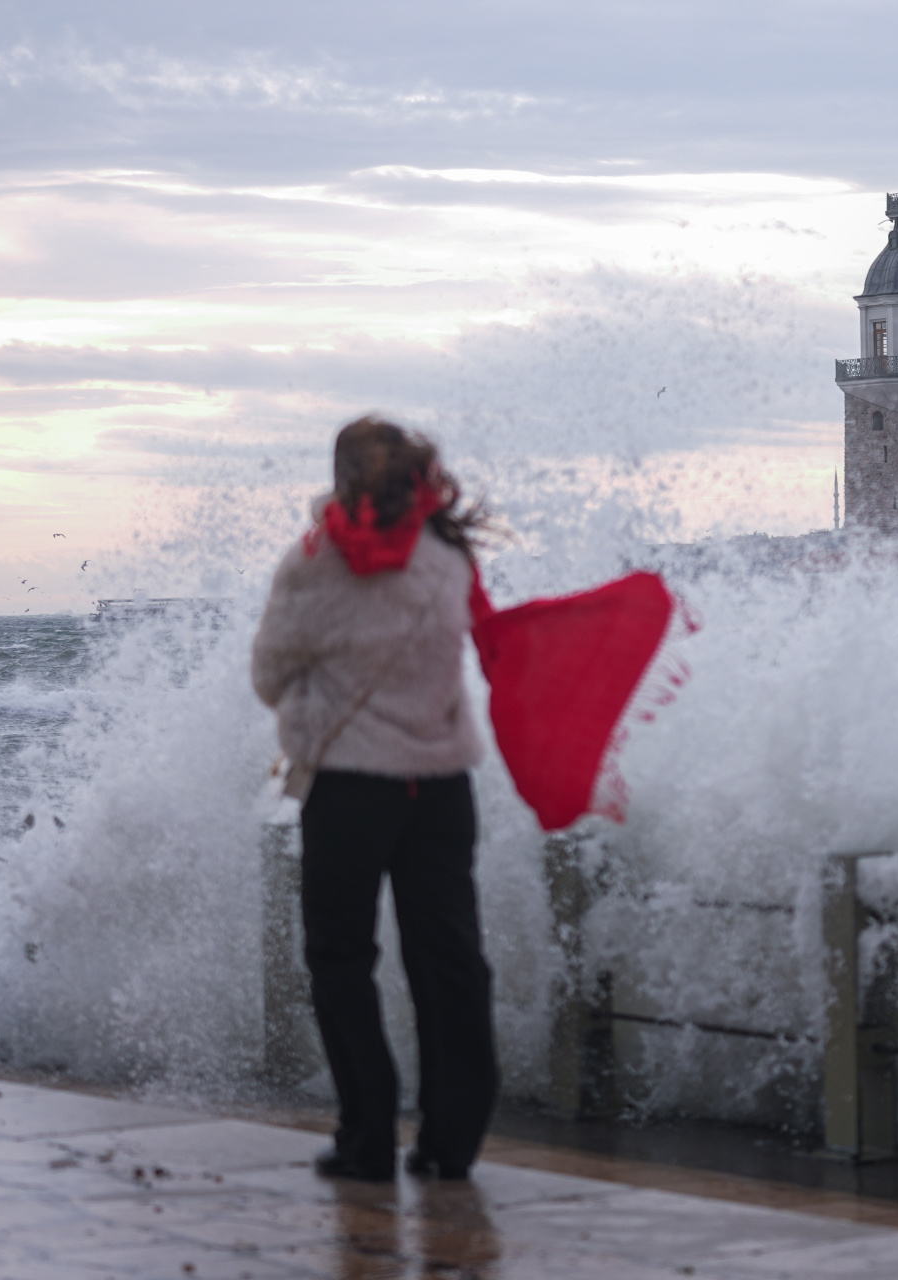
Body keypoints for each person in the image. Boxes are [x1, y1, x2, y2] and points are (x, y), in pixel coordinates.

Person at [251, 415, 498, 1183]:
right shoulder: (449, 555)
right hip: (442, 787)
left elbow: (268, 674)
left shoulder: (314, 564)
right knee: (449, 957)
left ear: (343, 474)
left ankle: (368, 1132)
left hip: (352, 788)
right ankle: (451, 1139)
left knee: (340, 956)